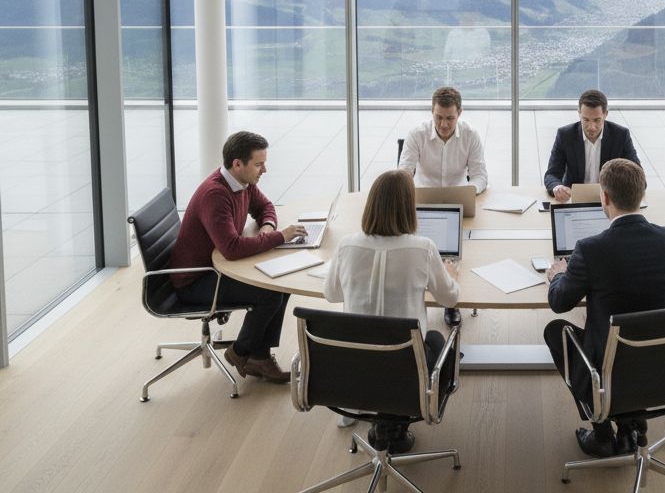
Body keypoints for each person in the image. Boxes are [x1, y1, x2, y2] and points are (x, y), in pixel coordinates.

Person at [544, 159, 665, 458]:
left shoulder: (590, 248)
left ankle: (602, 432)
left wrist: (558, 274)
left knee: (556, 331)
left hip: (609, 367)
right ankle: (629, 428)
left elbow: (559, 302)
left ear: (604, 198)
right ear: (642, 195)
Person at [324, 169, 460, 454]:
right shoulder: (423, 248)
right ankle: (396, 420)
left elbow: (331, 293)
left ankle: (369, 411)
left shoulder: (347, 245)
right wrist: (449, 273)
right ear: (409, 208)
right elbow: (450, 297)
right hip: (406, 371)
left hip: (352, 365)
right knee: (436, 339)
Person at [170, 130, 306, 384]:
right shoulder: (216, 195)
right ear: (237, 164)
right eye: (259, 164)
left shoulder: (243, 183)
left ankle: (259, 356)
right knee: (270, 292)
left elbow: (265, 207)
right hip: (196, 280)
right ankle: (242, 352)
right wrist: (280, 236)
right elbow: (231, 249)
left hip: (216, 268)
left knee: (281, 283)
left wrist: (266, 226)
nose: (264, 170)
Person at [399, 85, 486, 328]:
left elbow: (480, 176)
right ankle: (413, 302)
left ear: (459, 113)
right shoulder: (417, 134)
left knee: (453, 251)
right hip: (423, 205)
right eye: (438, 117)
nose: (444, 124)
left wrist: (471, 191)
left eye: (449, 118)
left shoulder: (470, 135)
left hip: (458, 206)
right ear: (432, 112)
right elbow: (404, 173)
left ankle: (451, 302)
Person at [544, 89, 641, 203]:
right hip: (574, 200)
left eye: (597, 120)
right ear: (579, 113)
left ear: (605, 114)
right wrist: (557, 188)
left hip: (611, 201)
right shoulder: (565, 135)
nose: (591, 127)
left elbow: (639, 178)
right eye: (586, 120)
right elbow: (551, 175)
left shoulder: (621, 135)